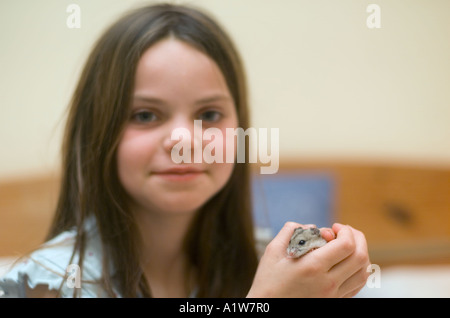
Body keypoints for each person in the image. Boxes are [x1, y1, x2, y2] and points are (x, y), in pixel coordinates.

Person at [0, 3, 370, 298]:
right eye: (145, 115)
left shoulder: (274, 263)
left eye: (208, 114)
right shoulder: (52, 283)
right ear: (96, 132)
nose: (185, 141)